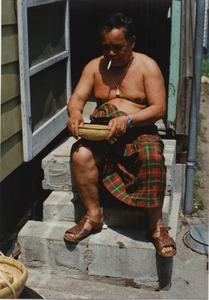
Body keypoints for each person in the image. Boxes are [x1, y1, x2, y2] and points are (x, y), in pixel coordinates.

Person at [64, 13, 176, 257]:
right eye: (106, 48)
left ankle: (156, 227)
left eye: (118, 47)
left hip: (138, 131)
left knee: (152, 158)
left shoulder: (147, 66)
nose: (111, 54)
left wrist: (128, 119)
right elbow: (77, 100)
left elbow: (159, 108)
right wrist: (74, 115)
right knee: (81, 154)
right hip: (103, 133)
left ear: (132, 42)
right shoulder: (94, 67)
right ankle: (93, 216)